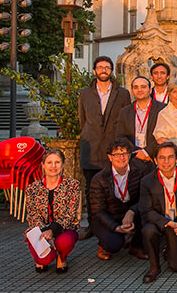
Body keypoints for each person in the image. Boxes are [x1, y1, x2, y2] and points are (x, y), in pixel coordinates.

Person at [78, 56, 132, 239]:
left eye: (107, 67)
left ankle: (116, 225)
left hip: (113, 150)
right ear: (94, 71)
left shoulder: (122, 94)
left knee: (116, 188)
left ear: (111, 71)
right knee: (91, 189)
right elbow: (82, 119)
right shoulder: (85, 93)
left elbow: (126, 120)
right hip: (91, 148)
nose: (103, 70)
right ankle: (93, 226)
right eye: (100, 67)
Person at [139, 143, 177, 283]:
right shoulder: (147, 181)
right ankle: (154, 267)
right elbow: (146, 210)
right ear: (155, 160)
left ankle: (169, 250)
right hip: (159, 222)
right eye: (162, 158)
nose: (166, 162)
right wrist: (168, 223)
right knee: (147, 231)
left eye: (170, 157)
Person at [90, 140, 149, 261]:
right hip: (109, 216)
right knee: (114, 244)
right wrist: (115, 227)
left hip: (131, 213)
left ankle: (136, 246)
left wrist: (132, 212)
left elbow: (146, 198)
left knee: (149, 217)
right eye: (116, 154)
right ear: (110, 157)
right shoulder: (99, 179)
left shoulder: (140, 171)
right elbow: (98, 211)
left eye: (125, 153)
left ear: (130, 155)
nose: (121, 158)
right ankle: (103, 245)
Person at [24, 149, 81, 274]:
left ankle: (62, 257)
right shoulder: (32, 188)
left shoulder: (72, 185)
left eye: (57, 162)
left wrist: (52, 231)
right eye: (49, 162)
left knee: (65, 242)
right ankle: (44, 256)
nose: (53, 166)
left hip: (64, 229)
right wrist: (45, 234)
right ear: (43, 165)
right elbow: (32, 215)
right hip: (41, 230)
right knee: (44, 260)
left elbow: (70, 214)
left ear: (63, 165)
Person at [115, 76, 167, 165]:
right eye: (136, 87)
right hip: (133, 157)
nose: (139, 90)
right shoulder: (125, 111)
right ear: (132, 91)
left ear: (150, 90)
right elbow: (120, 136)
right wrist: (136, 152)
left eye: (143, 87)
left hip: (155, 158)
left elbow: (164, 136)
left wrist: (146, 152)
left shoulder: (162, 109)